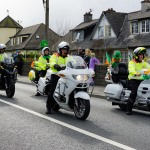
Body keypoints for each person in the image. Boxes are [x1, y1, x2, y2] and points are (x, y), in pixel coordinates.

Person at [46, 41, 70, 114]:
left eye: (66, 49)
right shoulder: (55, 55)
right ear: (60, 49)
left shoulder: (69, 57)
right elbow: (51, 62)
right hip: (56, 75)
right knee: (53, 91)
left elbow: (74, 62)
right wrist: (55, 65)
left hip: (66, 76)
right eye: (63, 49)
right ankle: (48, 107)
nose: (65, 51)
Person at [126, 47, 150, 115]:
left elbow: (148, 67)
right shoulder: (132, 62)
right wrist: (135, 73)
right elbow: (131, 69)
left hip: (141, 79)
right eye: (140, 55)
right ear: (136, 55)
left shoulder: (143, 62)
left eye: (142, 55)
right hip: (133, 79)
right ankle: (128, 109)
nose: (142, 56)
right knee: (134, 93)